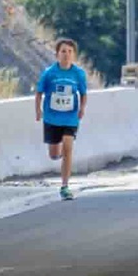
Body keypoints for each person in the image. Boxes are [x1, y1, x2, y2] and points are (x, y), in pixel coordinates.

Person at [37, 38, 90, 199]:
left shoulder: (78, 73)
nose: (66, 54)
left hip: (70, 117)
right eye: (63, 51)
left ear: (74, 55)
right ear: (57, 54)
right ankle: (58, 153)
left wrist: (82, 108)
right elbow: (39, 92)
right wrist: (38, 110)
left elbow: (83, 94)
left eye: (70, 51)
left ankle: (65, 186)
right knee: (54, 154)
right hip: (52, 118)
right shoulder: (49, 73)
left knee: (68, 147)